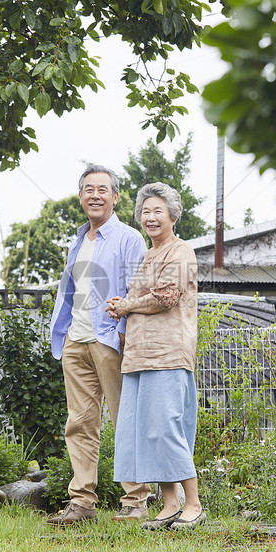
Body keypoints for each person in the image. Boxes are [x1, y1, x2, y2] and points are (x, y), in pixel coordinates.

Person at [47, 164, 152, 526]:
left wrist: (124, 333)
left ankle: (136, 501)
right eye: (88, 189)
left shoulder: (128, 238)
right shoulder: (77, 240)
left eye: (102, 189)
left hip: (111, 340)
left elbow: (137, 291)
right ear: (80, 197)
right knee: (79, 424)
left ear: (116, 197)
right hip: (75, 341)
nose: (95, 195)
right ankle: (82, 503)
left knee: (125, 420)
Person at [105, 182, 205, 530]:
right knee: (150, 431)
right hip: (139, 356)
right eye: (145, 211)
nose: (150, 217)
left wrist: (126, 305)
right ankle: (170, 504)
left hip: (168, 354)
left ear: (173, 215)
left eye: (157, 211)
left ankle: (193, 503)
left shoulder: (181, 251)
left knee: (167, 428)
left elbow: (166, 297)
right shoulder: (149, 256)